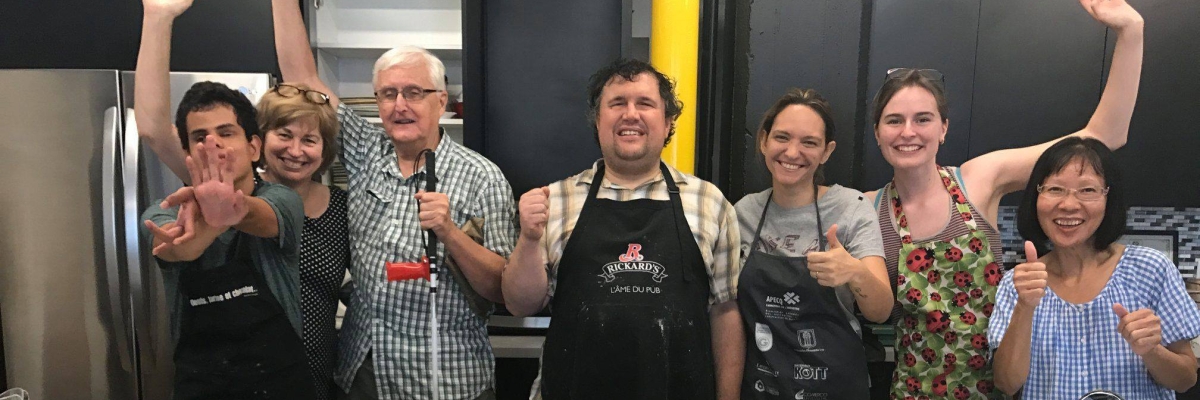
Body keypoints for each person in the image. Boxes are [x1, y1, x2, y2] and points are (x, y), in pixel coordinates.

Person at [863, 1, 1146, 397]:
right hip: (914, 391)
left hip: (1002, 385)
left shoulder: (979, 179)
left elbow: (1106, 136)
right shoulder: (866, 208)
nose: (908, 132)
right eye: (894, 120)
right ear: (877, 133)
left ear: (943, 128)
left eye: (923, 119)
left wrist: (1130, 32)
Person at [271, 1, 518, 399]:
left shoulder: (481, 177)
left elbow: (504, 290)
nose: (399, 105)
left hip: (448, 379)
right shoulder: (366, 151)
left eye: (414, 92)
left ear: (441, 101)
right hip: (364, 375)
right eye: (388, 94)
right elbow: (303, 78)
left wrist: (450, 233)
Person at [135, 1, 349, 398]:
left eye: (309, 139)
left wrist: (228, 212)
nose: (295, 151)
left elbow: (260, 215)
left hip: (309, 377)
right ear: (261, 143)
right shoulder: (189, 193)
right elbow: (151, 128)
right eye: (283, 135)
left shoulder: (309, 206)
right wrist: (158, 16)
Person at [501, 58, 743, 400]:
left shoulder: (710, 203)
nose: (631, 114)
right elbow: (520, 304)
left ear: (668, 121)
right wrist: (528, 238)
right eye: (617, 104)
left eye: (645, 103)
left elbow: (726, 312)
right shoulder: (554, 199)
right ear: (598, 121)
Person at [989, 137, 1200, 398]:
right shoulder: (1017, 284)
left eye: (1087, 190)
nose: (1068, 205)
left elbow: (1186, 379)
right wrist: (1025, 306)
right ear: (1036, 197)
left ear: (1108, 199)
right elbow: (1006, 383)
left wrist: (1151, 350)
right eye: (1055, 189)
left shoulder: (1151, 269)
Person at [736, 89, 889, 399]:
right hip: (763, 386)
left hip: (835, 386)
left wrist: (855, 273)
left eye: (809, 142)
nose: (793, 153)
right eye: (782, 138)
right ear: (764, 141)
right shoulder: (742, 213)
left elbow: (881, 311)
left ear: (826, 152)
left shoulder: (850, 208)